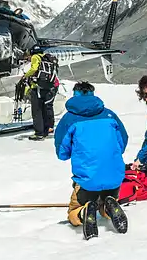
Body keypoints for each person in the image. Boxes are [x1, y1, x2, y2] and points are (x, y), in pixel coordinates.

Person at [54, 81, 130, 240]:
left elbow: (62, 152)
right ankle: (109, 205)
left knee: (73, 213)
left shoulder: (69, 119)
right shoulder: (109, 114)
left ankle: (84, 211)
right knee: (105, 202)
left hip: (87, 180)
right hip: (114, 177)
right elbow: (122, 141)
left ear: (75, 95)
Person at [16, 47, 59, 140]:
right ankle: (46, 130)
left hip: (38, 87)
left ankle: (39, 133)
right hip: (48, 86)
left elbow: (34, 68)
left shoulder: (36, 57)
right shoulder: (47, 58)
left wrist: (25, 75)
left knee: (37, 110)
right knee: (45, 108)